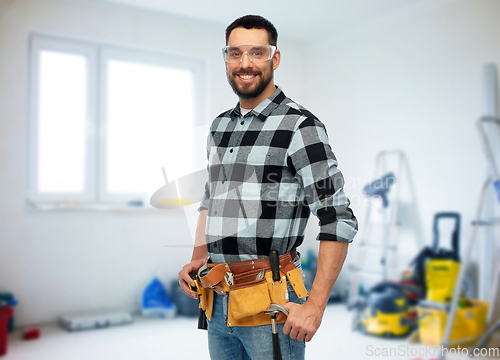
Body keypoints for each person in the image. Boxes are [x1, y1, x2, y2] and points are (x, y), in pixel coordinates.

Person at [178, 14, 358, 360]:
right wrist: (197, 258)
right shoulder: (220, 127)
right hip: (217, 301)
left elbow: (338, 217)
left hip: (273, 301)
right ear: (226, 59)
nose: (245, 64)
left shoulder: (299, 126)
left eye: (257, 53)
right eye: (235, 53)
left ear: (274, 58)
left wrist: (316, 306)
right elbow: (211, 199)